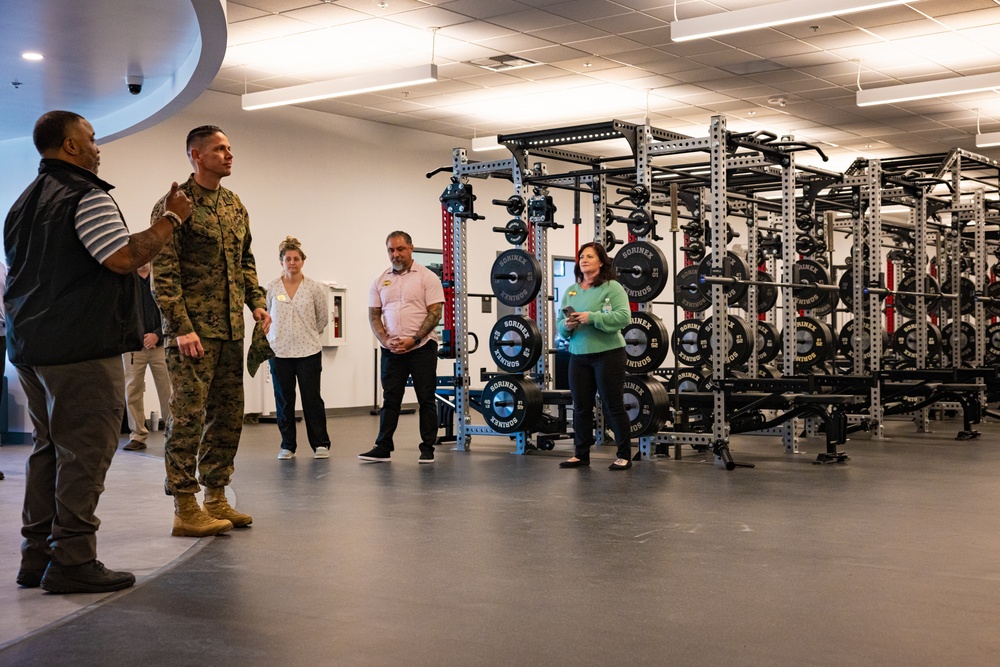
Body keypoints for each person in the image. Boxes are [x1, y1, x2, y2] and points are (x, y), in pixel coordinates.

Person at [5, 110, 192, 593]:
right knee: (85, 451)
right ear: (70, 146)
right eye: (90, 137)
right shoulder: (86, 195)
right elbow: (123, 257)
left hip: (31, 348)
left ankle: (37, 555)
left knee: (48, 449)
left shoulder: (22, 204)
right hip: (79, 348)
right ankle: (72, 561)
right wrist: (170, 218)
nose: (97, 145)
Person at [151, 124, 270, 537]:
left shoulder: (235, 205)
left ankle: (216, 497)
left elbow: (246, 260)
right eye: (220, 149)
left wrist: (256, 301)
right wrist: (181, 327)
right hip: (192, 335)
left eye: (230, 148)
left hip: (231, 332)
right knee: (187, 417)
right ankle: (185, 507)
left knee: (227, 416)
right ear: (196, 155)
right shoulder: (174, 205)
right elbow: (163, 275)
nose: (228, 154)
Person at [359, 231, 443, 464]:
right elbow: (374, 315)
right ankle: (383, 447)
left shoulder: (427, 277)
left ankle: (427, 448)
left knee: (426, 398)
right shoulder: (380, 280)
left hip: (422, 347)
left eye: (400, 249)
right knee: (390, 399)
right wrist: (385, 340)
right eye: (391, 250)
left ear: (411, 248)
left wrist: (414, 339)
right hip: (392, 349)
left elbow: (435, 313)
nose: (395, 254)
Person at [555, 241, 633, 471]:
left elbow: (623, 318)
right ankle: (581, 454)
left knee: (613, 405)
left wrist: (593, 317)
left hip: (608, 354)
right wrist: (567, 325)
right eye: (581, 257)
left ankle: (624, 455)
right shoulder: (572, 291)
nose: (584, 260)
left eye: (589, 256)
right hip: (578, 355)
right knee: (580, 407)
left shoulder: (612, 288)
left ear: (601, 261)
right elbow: (560, 326)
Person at [266, 236, 332, 460]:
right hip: (279, 351)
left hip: (308, 351)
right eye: (288, 259)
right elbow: (266, 314)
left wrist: (308, 334)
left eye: (296, 259)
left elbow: (322, 318)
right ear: (281, 262)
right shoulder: (273, 287)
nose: (292, 262)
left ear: (302, 261)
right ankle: (287, 445)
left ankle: (320, 444)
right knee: (284, 399)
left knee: (312, 398)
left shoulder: (313, 288)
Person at [122, 263, 172, 451]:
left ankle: (172, 434)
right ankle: (137, 436)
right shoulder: (126, 281)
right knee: (132, 390)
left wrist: (157, 335)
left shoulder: (162, 280)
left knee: (168, 390)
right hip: (134, 346)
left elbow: (170, 311)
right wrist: (138, 335)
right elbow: (121, 312)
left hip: (160, 344)